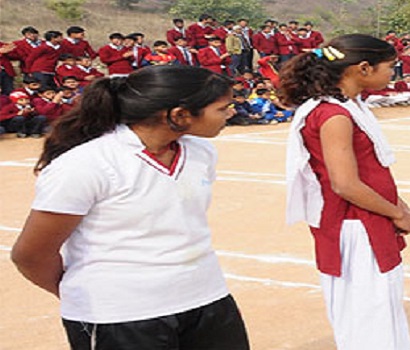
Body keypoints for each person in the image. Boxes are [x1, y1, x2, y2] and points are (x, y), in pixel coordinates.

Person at [10, 65, 250, 349]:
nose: (231, 113)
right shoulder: (86, 165)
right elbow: (31, 255)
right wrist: (91, 294)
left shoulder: (201, 151)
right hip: (122, 315)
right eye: (223, 108)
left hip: (206, 298)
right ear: (179, 115)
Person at [279, 34, 410, 349]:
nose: (392, 74)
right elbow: (345, 183)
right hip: (354, 225)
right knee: (367, 310)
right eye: (390, 67)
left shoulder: (350, 106)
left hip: (368, 217)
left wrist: (399, 205)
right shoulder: (333, 114)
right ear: (364, 68)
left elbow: (374, 167)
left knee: (381, 306)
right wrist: (396, 213)